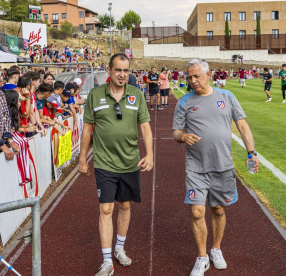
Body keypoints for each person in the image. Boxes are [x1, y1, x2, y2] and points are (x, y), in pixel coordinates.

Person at [172, 58, 259, 276]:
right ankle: (202, 258)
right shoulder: (184, 102)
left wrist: (251, 152)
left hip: (222, 165)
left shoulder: (227, 97)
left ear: (208, 75)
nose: (193, 81)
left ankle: (216, 249)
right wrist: (183, 137)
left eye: (196, 76)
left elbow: (242, 124)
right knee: (197, 211)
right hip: (196, 167)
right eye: (189, 77)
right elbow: (176, 132)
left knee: (218, 209)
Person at [79, 53, 153, 276]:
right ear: (109, 71)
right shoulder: (95, 95)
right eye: (118, 70)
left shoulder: (136, 95)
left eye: (126, 70)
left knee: (126, 206)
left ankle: (120, 248)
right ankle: (107, 261)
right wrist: (82, 159)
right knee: (106, 208)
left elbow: (146, 126)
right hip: (104, 163)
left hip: (130, 161)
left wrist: (149, 154)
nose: (122, 74)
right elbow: (87, 129)